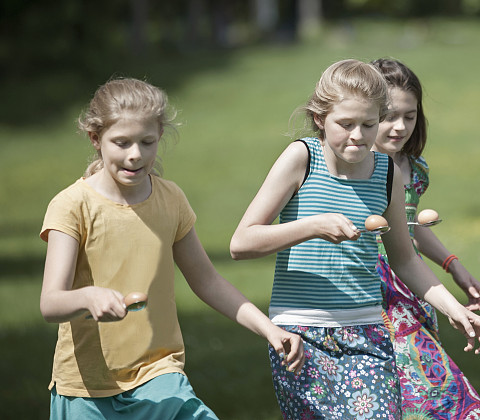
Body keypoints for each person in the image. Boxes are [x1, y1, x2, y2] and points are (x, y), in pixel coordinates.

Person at [230, 59, 480, 419]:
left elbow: (405, 259)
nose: (357, 135)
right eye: (346, 124)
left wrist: (455, 310)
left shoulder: (387, 173)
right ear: (320, 118)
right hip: (300, 333)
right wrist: (312, 225)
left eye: (369, 125)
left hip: (368, 332)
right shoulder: (301, 158)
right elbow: (241, 243)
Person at [39, 78, 304, 420]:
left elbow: (207, 281)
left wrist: (269, 329)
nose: (135, 154)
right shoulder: (72, 206)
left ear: (159, 137)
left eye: (146, 142)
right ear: (96, 139)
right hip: (86, 389)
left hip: (159, 374)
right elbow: (50, 303)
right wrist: (88, 297)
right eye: (121, 143)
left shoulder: (170, 199)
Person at [369, 57, 480, 418]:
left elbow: (408, 226)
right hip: (372, 294)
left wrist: (453, 265)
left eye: (410, 116)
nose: (400, 126)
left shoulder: (414, 168)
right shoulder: (357, 168)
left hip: (413, 288)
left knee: (421, 395)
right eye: (389, 115)